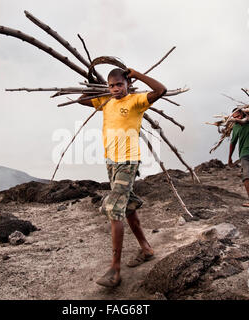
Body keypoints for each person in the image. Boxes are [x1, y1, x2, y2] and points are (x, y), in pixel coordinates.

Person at [78, 68, 166, 287]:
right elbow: (82, 100)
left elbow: (161, 90)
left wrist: (136, 74)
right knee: (128, 208)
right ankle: (146, 249)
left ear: (127, 84)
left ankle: (115, 269)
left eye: (119, 84)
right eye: (111, 85)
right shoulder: (106, 102)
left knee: (114, 210)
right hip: (111, 162)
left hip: (128, 162)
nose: (116, 89)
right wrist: (94, 84)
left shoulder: (136, 101)